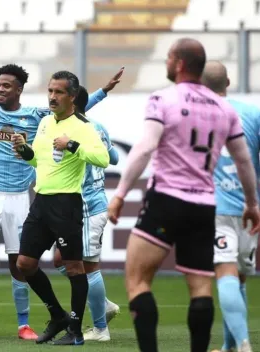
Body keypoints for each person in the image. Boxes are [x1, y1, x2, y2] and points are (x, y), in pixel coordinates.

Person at [0, 38, 122, 340]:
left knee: (44, 265)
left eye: (7, 86)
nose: (1, 90)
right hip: (0, 196)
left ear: (19, 89)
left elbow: (79, 115)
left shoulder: (38, 118)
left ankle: (36, 324)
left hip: (30, 198)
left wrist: (102, 93)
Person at [107, 38, 260, 352]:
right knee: (201, 287)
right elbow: (243, 159)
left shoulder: (163, 99)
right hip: (205, 206)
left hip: (166, 199)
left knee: (137, 279)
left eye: (167, 57)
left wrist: (121, 193)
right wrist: (252, 202)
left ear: (178, 64)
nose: (165, 62)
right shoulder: (224, 108)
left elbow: (146, 147)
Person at [13, 71, 110, 345]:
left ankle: (76, 331)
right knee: (25, 264)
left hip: (67, 203)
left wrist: (72, 145)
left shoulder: (83, 127)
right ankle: (58, 315)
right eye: (50, 91)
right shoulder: (44, 123)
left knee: (75, 267)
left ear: (72, 97)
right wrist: (25, 151)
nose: (52, 97)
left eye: (58, 92)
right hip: (41, 201)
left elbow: (102, 159)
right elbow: (40, 162)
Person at [53, 85, 120, 342]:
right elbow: (113, 158)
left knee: (88, 267)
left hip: (89, 206)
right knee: (61, 260)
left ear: (70, 102)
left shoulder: (70, 131)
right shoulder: (98, 127)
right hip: (74, 208)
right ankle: (102, 303)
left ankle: (101, 329)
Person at [201, 61, 258, 352]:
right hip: (249, 209)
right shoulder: (253, 113)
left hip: (213, 208)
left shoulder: (194, 115)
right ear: (229, 81)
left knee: (225, 273)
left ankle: (244, 345)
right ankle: (229, 347)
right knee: (240, 277)